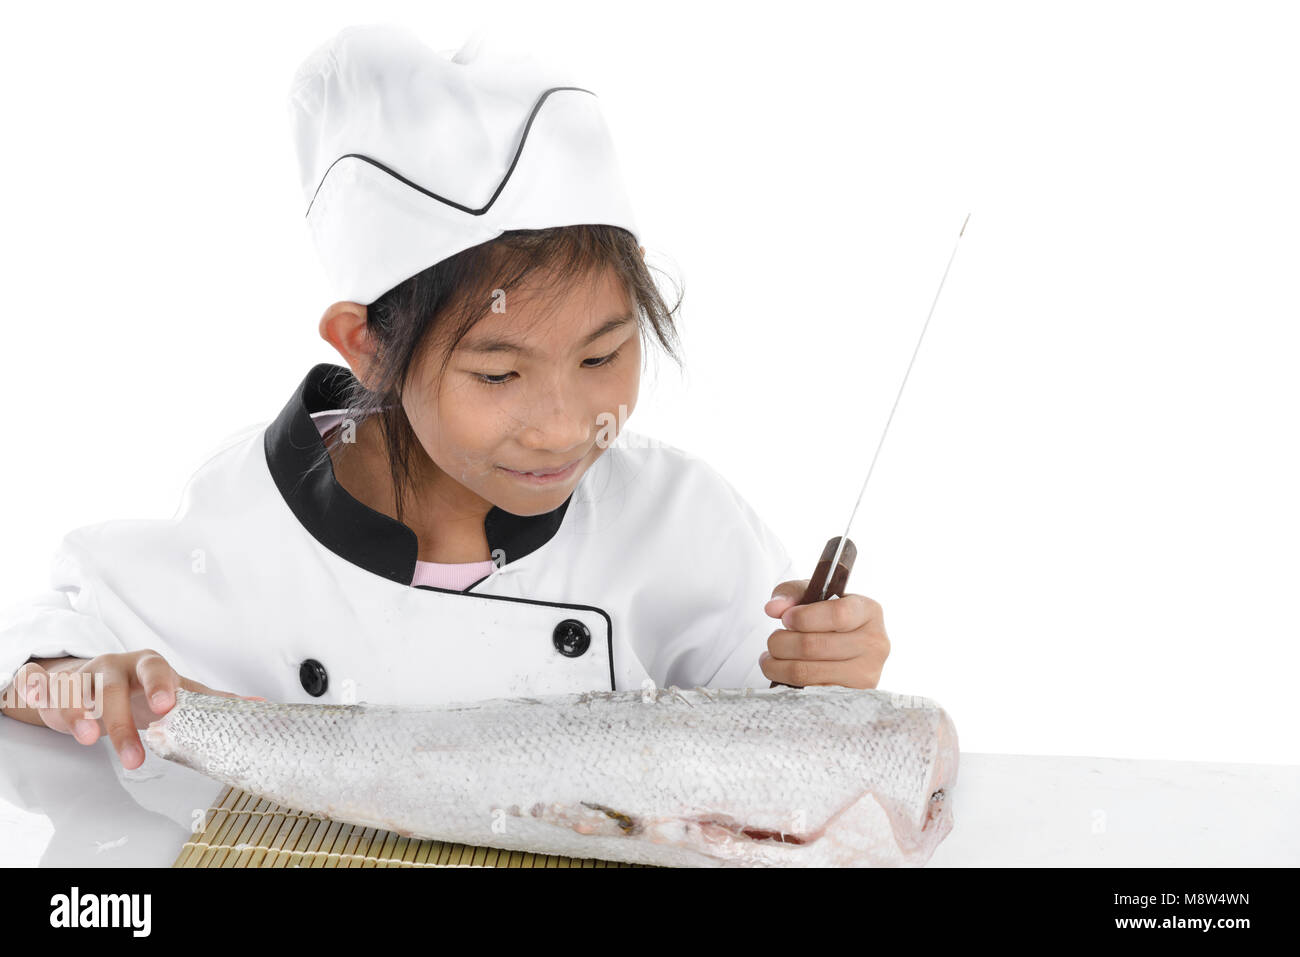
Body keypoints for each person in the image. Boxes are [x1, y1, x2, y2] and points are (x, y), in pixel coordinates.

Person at [0, 24, 890, 771]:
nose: (566, 425)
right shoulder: (242, 523)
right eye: (498, 374)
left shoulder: (680, 517)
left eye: (604, 355)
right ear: (369, 345)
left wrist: (825, 673)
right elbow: (31, 653)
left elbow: (777, 738)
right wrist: (69, 676)